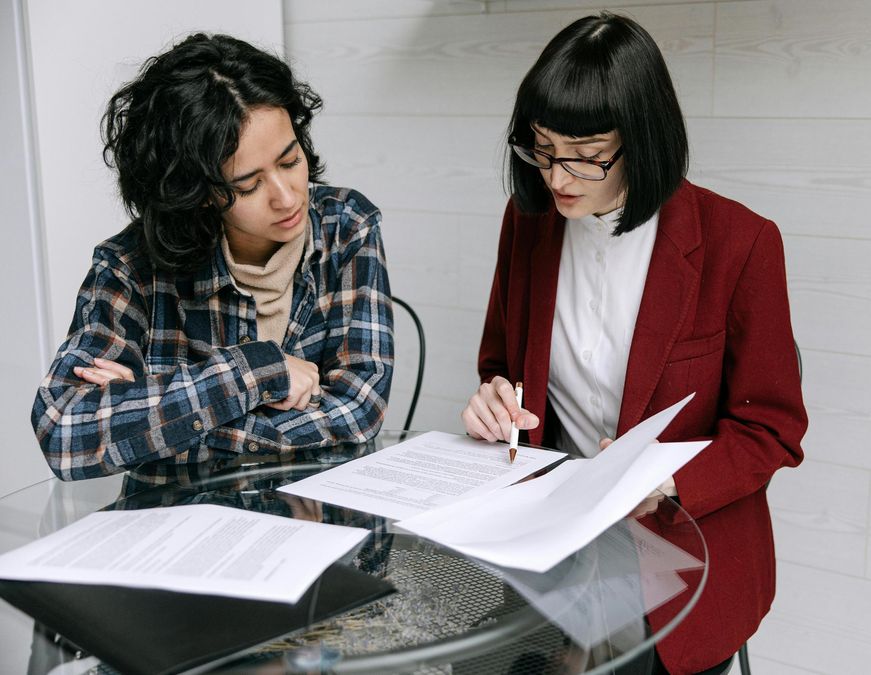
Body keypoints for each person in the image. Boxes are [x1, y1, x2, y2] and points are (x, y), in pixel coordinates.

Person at [461, 12, 807, 675]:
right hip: (554, 541)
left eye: (586, 154)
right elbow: (501, 364)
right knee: (471, 656)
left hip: (680, 554)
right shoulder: (529, 222)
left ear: (642, 139)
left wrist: (665, 479)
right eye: (541, 147)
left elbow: (772, 429)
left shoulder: (739, 243)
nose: (558, 177)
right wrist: (495, 401)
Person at [32, 34, 394, 481]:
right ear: (198, 191)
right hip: (174, 518)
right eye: (248, 185)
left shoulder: (348, 227)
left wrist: (158, 421)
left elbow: (359, 410)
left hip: (312, 509)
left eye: (289, 161)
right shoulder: (130, 266)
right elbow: (65, 433)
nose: (287, 198)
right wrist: (257, 370)